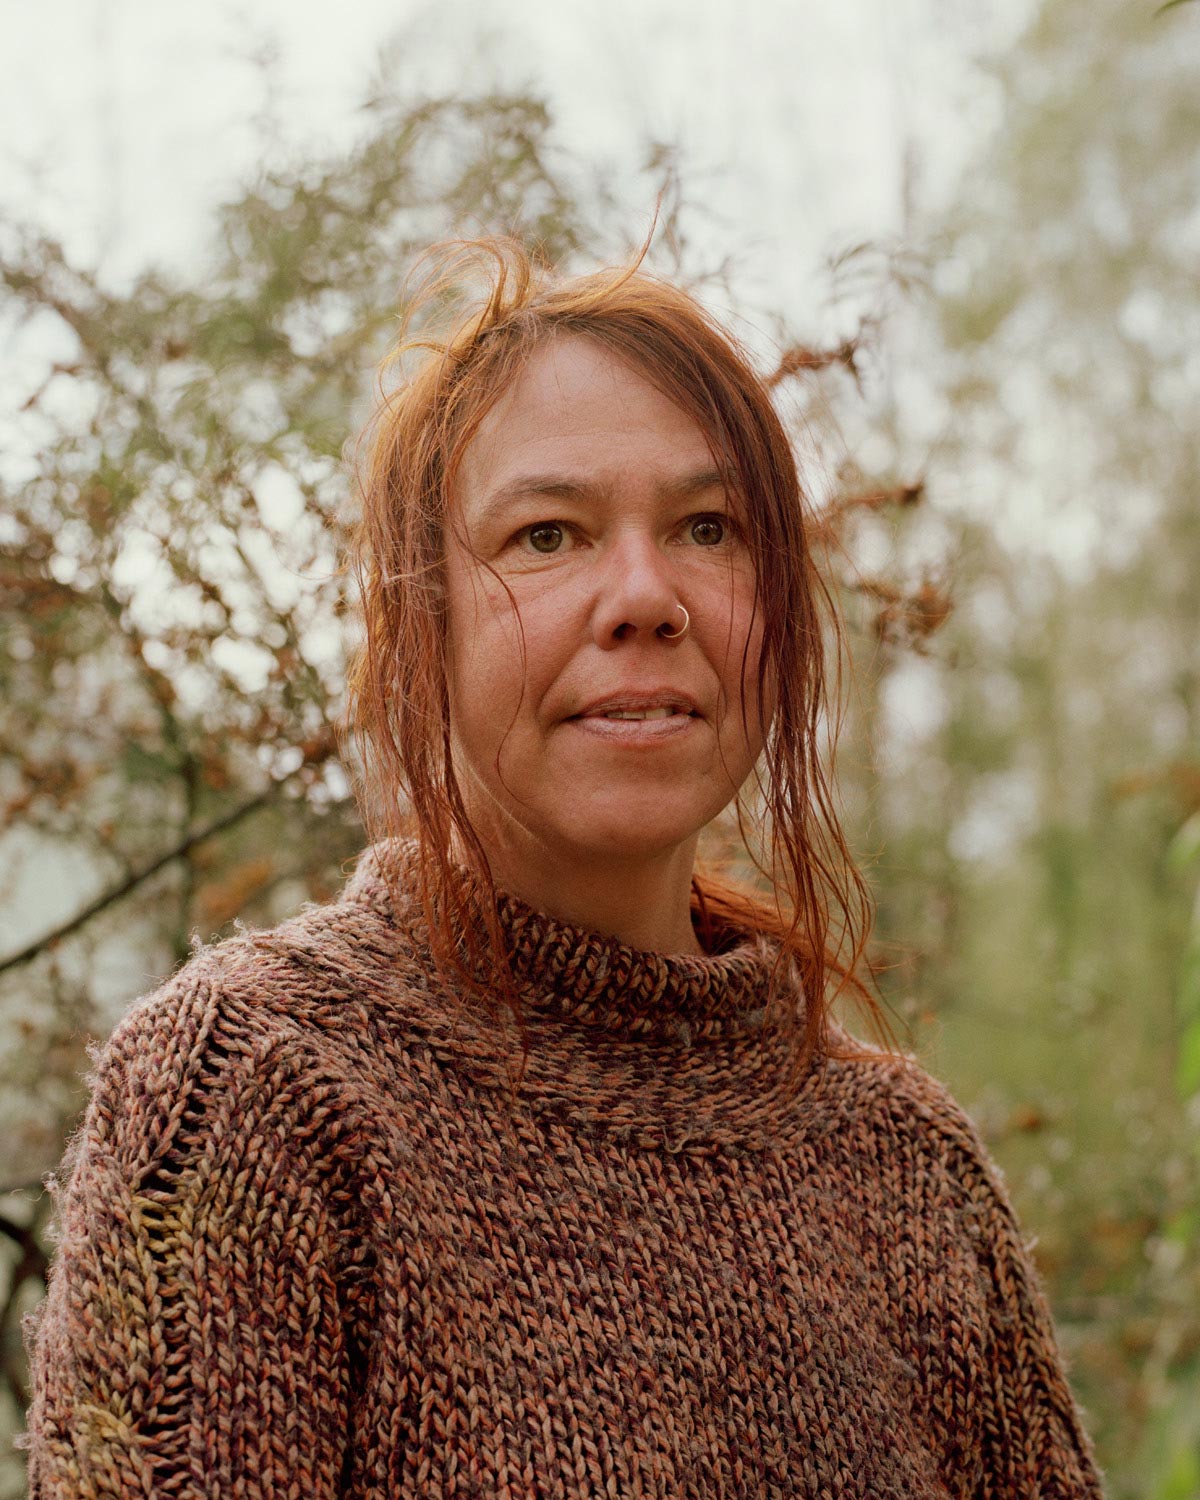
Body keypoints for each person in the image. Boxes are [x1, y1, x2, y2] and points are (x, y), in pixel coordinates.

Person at [22, 238, 1105, 1498]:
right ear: (416, 627)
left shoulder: (908, 1172)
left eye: (709, 528)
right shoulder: (254, 1091)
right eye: (548, 535)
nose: (646, 596)